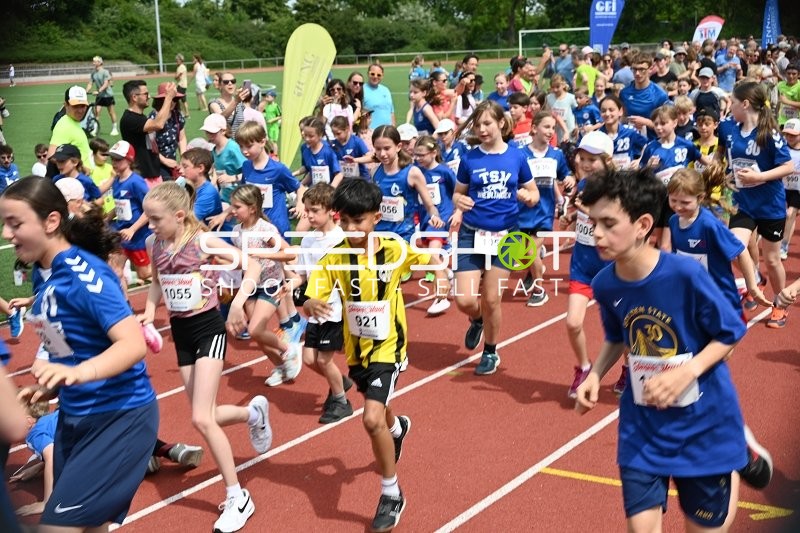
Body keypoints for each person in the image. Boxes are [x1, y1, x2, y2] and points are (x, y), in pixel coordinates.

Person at [575, 168, 749, 533]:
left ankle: (738, 453)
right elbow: (619, 336)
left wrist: (686, 371)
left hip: (702, 424)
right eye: (593, 223)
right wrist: (594, 373)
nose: (598, 234)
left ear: (642, 225)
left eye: (609, 223)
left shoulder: (685, 275)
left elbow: (731, 332)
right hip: (643, 426)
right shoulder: (605, 284)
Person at [2, 176, 159, 532]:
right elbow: (71, 348)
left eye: (16, 223)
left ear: (51, 221)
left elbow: (133, 344)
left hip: (119, 417)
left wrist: (79, 373)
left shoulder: (84, 273)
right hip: (75, 419)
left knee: (55, 529)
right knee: (92, 527)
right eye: (4, 225)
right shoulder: (45, 277)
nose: (7, 234)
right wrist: (54, 387)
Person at [139, 181, 271, 533]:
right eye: (147, 218)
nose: (149, 226)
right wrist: (150, 312)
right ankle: (252, 412)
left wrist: (238, 304)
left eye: (155, 219)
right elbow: (156, 281)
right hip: (181, 333)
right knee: (207, 413)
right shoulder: (155, 243)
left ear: (179, 215)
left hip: (208, 329)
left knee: (200, 418)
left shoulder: (203, 241)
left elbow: (253, 267)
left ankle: (237, 496)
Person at [303, 178, 426, 532]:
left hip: (389, 345)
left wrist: (444, 275)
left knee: (370, 419)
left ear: (376, 217)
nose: (352, 229)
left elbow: (427, 260)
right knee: (382, 413)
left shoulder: (394, 247)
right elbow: (315, 291)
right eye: (346, 222)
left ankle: (391, 493)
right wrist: (310, 302)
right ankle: (398, 427)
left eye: (360, 222)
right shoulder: (335, 257)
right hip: (357, 350)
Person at [450, 100, 538, 374]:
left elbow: (533, 192)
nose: (482, 129)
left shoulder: (517, 157)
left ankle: (490, 351)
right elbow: (457, 193)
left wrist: (528, 197)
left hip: (505, 236)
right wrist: (460, 203)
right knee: (464, 299)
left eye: (487, 123)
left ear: (501, 123)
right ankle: (477, 320)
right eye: (478, 125)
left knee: (491, 299)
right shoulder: (469, 158)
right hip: (471, 234)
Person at [719, 81, 794, 328]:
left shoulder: (768, 133)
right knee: (733, 248)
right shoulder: (728, 127)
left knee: (772, 259)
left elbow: (788, 166)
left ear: (746, 104)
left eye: (732, 101)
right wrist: (719, 170)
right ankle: (754, 279)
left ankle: (780, 304)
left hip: (770, 205)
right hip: (742, 203)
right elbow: (721, 154)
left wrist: (759, 177)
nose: (729, 106)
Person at [561, 131, 615, 397]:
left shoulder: (617, 190)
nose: (584, 163)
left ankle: (630, 368)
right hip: (582, 266)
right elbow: (582, 212)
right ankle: (583, 367)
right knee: (572, 323)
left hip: (611, 268)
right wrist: (571, 217)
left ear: (607, 161)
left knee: (622, 326)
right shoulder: (582, 186)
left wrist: (586, 212)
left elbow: (613, 223)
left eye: (592, 159)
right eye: (582, 157)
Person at [294, 183, 353, 422]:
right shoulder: (308, 241)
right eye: (306, 210)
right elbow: (302, 274)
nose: (308, 215)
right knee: (309, 359)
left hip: (333, 309)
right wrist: (290, 285)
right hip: (314, 309)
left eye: (314, 210)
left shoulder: (341, 240)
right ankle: (341, 381)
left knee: (323, 359)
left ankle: (341, 401)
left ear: (331, 211)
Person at [519, 112, 574, 307]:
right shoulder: (520, 154)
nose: (551, 131)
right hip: (521, 213)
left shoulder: (556, 155)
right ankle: (532, 270)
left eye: (553, 128)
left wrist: (569, 178)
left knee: (531, 250)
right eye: (546, 127)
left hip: (544, 213)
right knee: (522, 254)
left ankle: (539, 290)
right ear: (534, 128)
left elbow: (566, 173)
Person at [639, 105, 711, 251]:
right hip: (658, 199)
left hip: (677, 199)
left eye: (663, 123)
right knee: (657, 242)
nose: (659, 128)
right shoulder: (651, 147)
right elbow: (641, 173)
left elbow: (706, 162)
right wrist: (648, 167)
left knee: (666, 245)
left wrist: (717, 171)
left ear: (674, 122)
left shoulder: (686, 145)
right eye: (656, 124)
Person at [411, 135, 456, 315]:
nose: (418, 158)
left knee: (432, 253)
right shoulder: (415, 172)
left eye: (422, 154)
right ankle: (447, 272)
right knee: (428, 257)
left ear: (434, 153)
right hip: (423, 219)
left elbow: (456, 192)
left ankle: (441, 298)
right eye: (416, 155)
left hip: (440, 220)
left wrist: (455, 213)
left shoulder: (444, 172)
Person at [109, 140, 152, 283]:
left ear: (129, 160)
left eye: (118, 159)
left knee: (144, 274)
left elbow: (150, 208)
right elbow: (119, 205)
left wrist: (132, 229)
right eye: (113, 159)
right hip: (121, 233)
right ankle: (124, 304)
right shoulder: (116, 181)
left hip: (138, 235)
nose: (114, 163)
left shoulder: (136, 182)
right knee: (115, 271)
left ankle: (169, 267)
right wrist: (106, 218)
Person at [120, 80, 177, 188]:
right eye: (145, 94)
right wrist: (168, 98)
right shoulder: (129, 119)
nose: (149, 96)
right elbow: (159, 124)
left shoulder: (141, 118)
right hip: (142, 177)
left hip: (152, 175)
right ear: (134, 97)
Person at [620, 53, 670, 140]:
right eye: (634, 69)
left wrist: (645, 122)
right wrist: (628, 121)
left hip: (652, 143)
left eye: (642, 69)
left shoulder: (660, 94)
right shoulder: (624, 93)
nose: (637, 73)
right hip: (629, 143)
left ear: (650, 69)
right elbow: (621, 118)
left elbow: (667, 125)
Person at [47, 86, 91, 172]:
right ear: (65, 105)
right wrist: (80, 167)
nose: (80, 110)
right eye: (75, 106)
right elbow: (51, 156)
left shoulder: (73, 122)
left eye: (83, 106)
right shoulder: (64, 125)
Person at [598, 95, 647, 170]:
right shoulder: (597, 136)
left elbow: (647, 145)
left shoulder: (630, 131)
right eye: (603, 111)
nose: (607, 114)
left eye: (611, 110)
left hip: (628, 177)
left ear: (620, 111)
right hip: (607, 178)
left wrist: (640, 160)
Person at [780, 118, 800, 260]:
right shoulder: (782, 148)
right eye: (787, 134)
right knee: (781, 215)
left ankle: (783, 246)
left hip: (797, 189)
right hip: (781, 185)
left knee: (790, 214)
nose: (789, 138)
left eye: (793, 135)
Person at [330, 115, 373, 180]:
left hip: (361, 180)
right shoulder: (333, 144)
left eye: (338, 133)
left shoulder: (356, 141)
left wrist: (354, 160)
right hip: (344, 181)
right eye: (333, 134)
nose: (335, 137)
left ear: (347, 129)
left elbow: (370, 158)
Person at [87, 56, 119, 136]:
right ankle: (94, 129)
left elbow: (106, 84)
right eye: (93, 61)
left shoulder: (105, 72)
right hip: (100, 96)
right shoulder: (93, 73)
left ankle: (115, 129)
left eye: (95, 61)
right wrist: (86, 90)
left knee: (111, 112)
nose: (93, 62)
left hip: (108, 95)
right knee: (97, 112)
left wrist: (98, 91)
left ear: (100, 62)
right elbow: (90, 83)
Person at [363, 64, 395, 128]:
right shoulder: (361, 90)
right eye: (372, 74)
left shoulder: (386, 90)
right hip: (371, 133)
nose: (375, 77)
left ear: (382, 76)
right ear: (367, 73)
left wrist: (393, 127)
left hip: (387, 132)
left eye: (379, 75)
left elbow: (391, 112)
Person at [174, 54, 191, 118]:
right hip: (181, 85)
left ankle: (185, 113)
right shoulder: (180, 67)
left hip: (181, 85)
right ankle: (184, 113)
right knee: (181, 100)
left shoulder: (181, 67)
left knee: (182, 100)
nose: (176, 61)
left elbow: (178, 76)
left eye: (177, 60)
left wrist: (176, 77)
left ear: (181, 60)